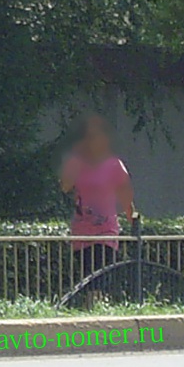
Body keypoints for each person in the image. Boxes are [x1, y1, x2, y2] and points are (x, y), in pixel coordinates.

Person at [61, 114, 135, 281]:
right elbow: (65, 187)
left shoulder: (114, 165)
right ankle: (92, 305)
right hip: (82, 230)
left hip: (106, 230)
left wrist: (134, 224)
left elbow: (125, 196)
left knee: (101, 273)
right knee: (88, 276)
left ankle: (96, 305)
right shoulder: (76, 163)